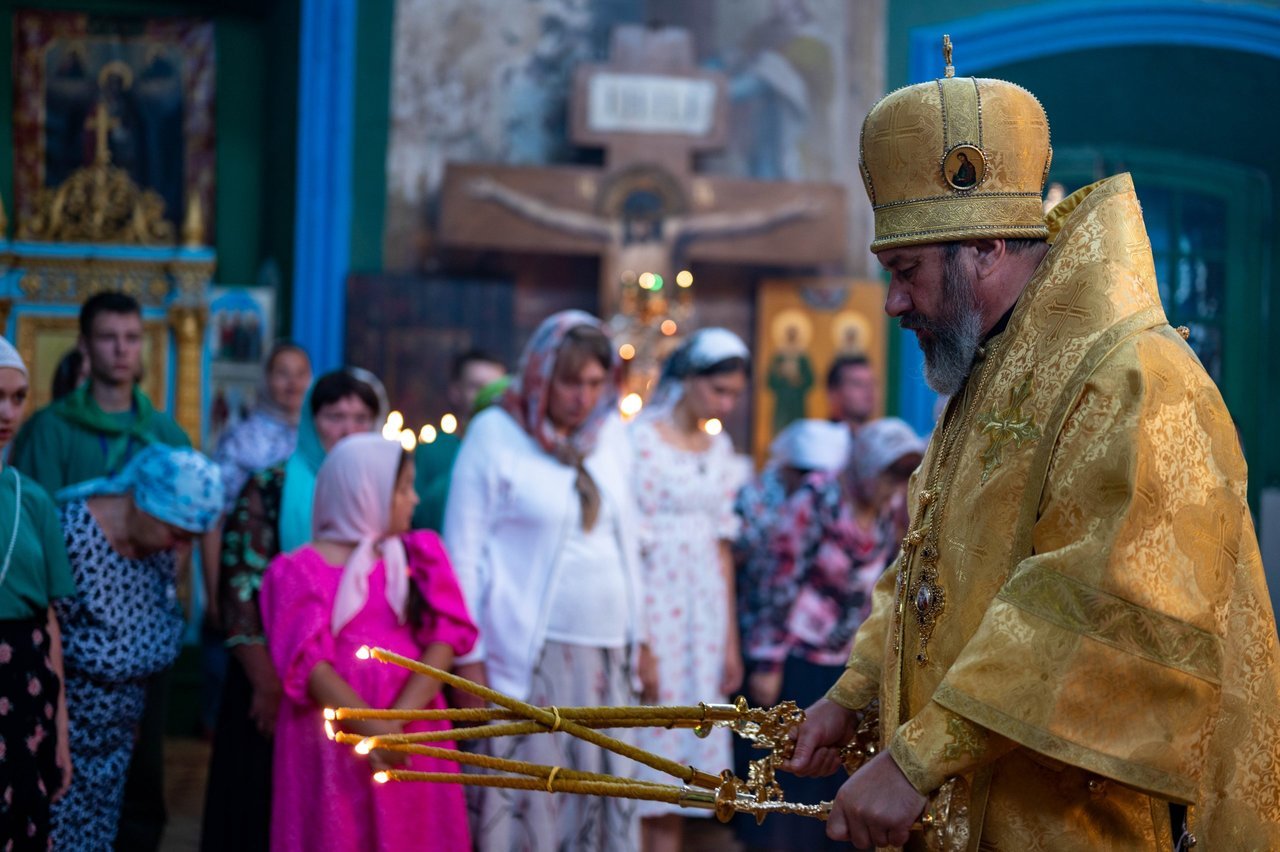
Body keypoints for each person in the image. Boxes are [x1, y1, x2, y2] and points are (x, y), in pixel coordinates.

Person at [784, 47, 1280, 849]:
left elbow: (1102, 611)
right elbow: (926, 568)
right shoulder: (986, 370)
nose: (893, 302)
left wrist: (916, 759)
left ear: (986, 248)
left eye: (907, 270)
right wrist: (857, 689)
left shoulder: (1135, 379)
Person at [444, 310, 649, 852]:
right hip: (530, 657)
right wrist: (469, 657)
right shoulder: (496, 434)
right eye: (570, 381)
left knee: (600, 797)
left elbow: (630, 538)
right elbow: (462, 554)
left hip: (609, 654)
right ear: (540, 374)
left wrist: (643, 636)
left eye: (595, 383)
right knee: (537, 802)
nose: (583, 397)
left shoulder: (610, 435)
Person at [10, 291, 191, 852]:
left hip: (145, 639)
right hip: (69, 636)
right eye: (109, 337)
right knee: (59, 773)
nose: (121, 349)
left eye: (132, 338)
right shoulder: (50, 429)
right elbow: (28, 530)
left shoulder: (166, 436)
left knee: (143, 778)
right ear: (85, 345)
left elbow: (186, 542)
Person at [259, 433, 476, 852]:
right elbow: (310, 665)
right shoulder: (296, 571)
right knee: (339, 830)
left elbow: (444, 640)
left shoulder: (419, 555)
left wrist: (395, 728)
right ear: (364, 490)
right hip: (334, 736)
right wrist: (374, 730)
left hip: (413, 723)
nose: (414, 499)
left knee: (413, 831)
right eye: (404, 488)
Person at [201, 368, 384, 852]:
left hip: (353, 680)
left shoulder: (384, 493)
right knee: (259, 806)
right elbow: (240, 590)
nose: (348, 430)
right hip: (273, 674)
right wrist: (266, 683)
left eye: (361, 418)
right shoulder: (272, 485)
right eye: (335, 416)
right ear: (311, 421)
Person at [740, 418, 922, 852]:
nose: (896, 485)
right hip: (797, 658)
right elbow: (778, 581)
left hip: (846, 662)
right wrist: (768, 663)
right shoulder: (818, 499)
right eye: (890, 473)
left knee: (833, 774)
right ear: (866, 464)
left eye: (904, 476)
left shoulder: (887, 509)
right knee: (792, 770)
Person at [49, 445, 222, 851]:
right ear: (144, 503)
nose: (181, 548)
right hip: (63, 740)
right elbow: (45, 637)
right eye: (177, 534)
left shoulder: (160, 547)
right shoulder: (72, 535)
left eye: (191, 540)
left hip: (117, 743)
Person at [630, 327, 751, 852]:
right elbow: (629, 549)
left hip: (702, 624)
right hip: (655, 609)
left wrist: (730, 645)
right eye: (718, 391)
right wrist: (640, 643)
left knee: (683, 775)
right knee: (643, 762)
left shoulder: (719, 447)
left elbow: (722, 548)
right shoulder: (640, 441)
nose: (726, 404)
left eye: (734, 395)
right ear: (689, 379)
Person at [199, 342, 312, 738]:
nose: (292, 383)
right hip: (249, 585)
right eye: (283, 373)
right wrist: (215, 592)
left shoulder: (318, 438)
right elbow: (214, 519)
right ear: (266, 380)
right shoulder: (242, 440)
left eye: (301, 373)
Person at [0, 337, 76, 851]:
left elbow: (48, 620)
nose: (8, 412)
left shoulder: (33, 500)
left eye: (18, 397)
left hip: (23, 691)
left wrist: (61, 730)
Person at [410, 349, 505, 533]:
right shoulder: (432, 451)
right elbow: (417, 519)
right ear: (455, 391)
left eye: (497, 389)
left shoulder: (516, 449)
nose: (490, 397)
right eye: (477, 387)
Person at [825, 354, 877, 435]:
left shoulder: (882, 439)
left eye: (871, 384)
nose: (868, 390)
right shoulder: (820, 439)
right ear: (833, 393)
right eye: (858, 384)